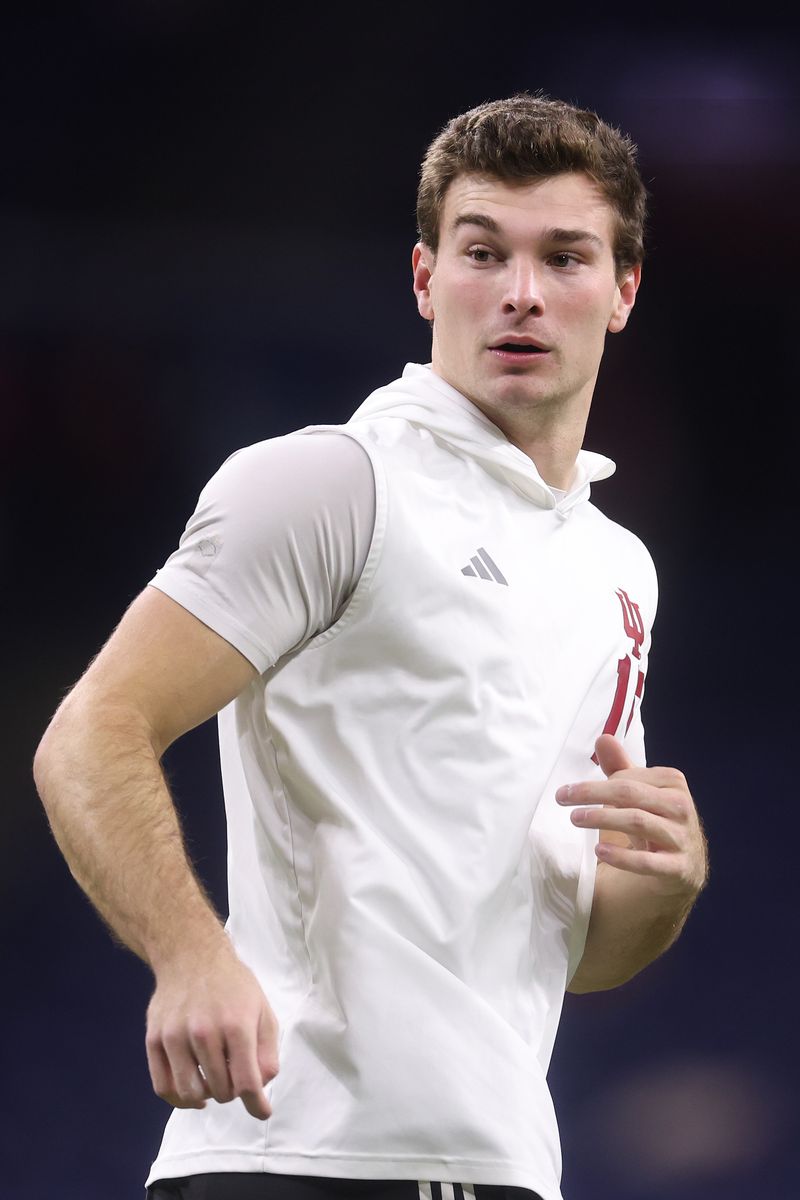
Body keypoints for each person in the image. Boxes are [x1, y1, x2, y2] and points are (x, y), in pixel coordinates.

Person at [34, 93, 708, 1200]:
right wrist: (191, 956)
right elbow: (90, 733)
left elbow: (579, 957)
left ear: (622, 290)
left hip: (501, 1166)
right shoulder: (329, 484)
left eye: (565, 256)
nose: (521, 292)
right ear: (423, 280)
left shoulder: (616, 569)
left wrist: (663, 886)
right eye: (482, 251)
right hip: (295, 1152)